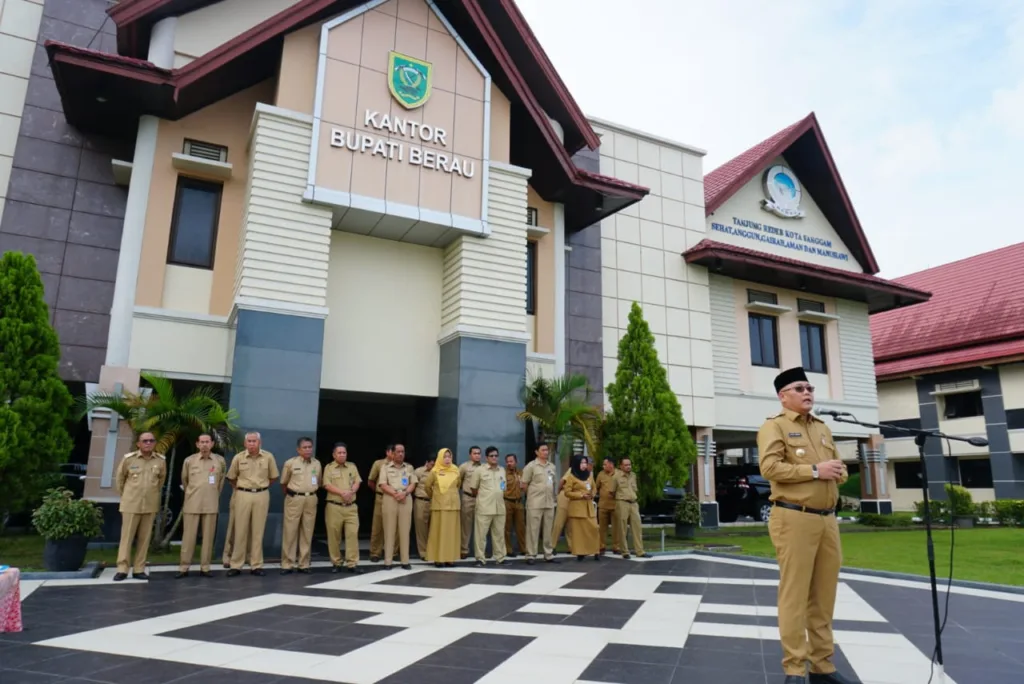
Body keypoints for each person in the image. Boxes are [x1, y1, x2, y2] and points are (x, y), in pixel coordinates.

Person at [758, 367, 852, 684]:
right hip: (793, 516)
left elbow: (838, 468)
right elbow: (770, 467)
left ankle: (823, 665)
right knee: (795, 594)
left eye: (810, 387)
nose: (808, 392)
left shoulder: (823, 428)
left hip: (827, 520)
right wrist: (814, 470)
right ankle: (795, 667)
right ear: (783, 395)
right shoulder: (775, 427)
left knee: (824, 596)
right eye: (800, 388)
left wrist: (838, 471)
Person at [113, 432, 167, 581]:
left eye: (151, 440)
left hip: (150, 505)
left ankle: (139, 569)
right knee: (127, 538)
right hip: (131, 504)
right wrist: (128, 496)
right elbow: (120, 481)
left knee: (144, 539)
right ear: (138, 444)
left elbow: (160, 481)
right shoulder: (129, 459)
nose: (148, 443)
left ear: (154, 443)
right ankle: (122, 569)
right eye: (145, 441)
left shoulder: (160, 461)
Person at [226, 432, 279, 576]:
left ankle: (256, 565)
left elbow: (273, 477)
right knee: (240, 530)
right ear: (245, 443)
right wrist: (243, 488)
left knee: (258, 531)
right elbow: (231, 478)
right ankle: (236, 565)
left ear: (259, 442)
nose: (251, 444)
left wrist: (261, 486)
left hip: (261, 494)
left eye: (254, 441)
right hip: (243, 494)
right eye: (249, 441)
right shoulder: (238, 457)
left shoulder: (268, 457)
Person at [177, 433, 225, 578]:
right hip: (192, 503)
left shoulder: (219, 461)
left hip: (211, 503)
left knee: (208, 538)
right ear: (197, 444)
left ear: (212, 444)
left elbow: (220, 483)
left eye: (207, 442)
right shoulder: (189, 461)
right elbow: (185, 480)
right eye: (202, 442)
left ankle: (205, 567)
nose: (204, 444)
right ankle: (184, 567)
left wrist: (212, 494)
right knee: (188, 537)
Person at [280, 437, 322, 575]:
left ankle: (304, 563)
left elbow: (319, 482)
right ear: (298, 449)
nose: (308, 449)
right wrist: (293, 494)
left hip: (311, 498)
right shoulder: (290, 463)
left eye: (310, 447)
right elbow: (284, 483)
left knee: (307, 531)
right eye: (305, 447)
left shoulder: (316, 464)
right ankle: (287, 564)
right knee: (290, 531)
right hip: (294, 498)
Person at [322, 442, 361, 573]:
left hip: (351, 507)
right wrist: (342, 493)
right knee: (334, 536)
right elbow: (326, 485)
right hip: (334, 507)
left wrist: (351, 492)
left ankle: (352, 563)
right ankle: (336, 563)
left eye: (344, 452)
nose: (342, 455)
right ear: (334, 455)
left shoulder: (352, 466)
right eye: (339, 453)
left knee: (352, 534)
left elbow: (357, 481)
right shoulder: (329, 468)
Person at [377, 443, 417, 570]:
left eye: (403, 451)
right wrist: (396, 494)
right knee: (389, 530)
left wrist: (405, 493)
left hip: (406, 499)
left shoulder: (409, 468)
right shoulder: (385, 467)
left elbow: (413, 483)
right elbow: (383, 484)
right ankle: (388, 561)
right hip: (391, 499)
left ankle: (405, 561)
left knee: (405, 531)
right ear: (392, 453)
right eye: (398, 451)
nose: (401, 454)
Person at [469, 446, 507, 566]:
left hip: (499, 507)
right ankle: (480, 558)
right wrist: (484, 498)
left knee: (499, 534)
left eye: (496, 455)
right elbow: (473, 488)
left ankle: (500, 558)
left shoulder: (502, 470)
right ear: (486, 458)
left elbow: (503, 487)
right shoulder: (480, 470)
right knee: (481, 535)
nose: (494, 458)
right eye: (492, 456)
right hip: (484, 507)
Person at [521, 443, 558, 565]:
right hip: (535, 502)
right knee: (533, 529)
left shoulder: (551, 466)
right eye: (543, 450)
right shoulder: (531, 466)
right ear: (537, 452)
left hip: (549, 503)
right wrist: (533, 495)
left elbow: (553, 484)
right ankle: (531, 554)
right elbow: (524, 485)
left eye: (547, 450)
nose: (546, 452)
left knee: (548, 530)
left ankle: (548, 554)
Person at [425, 448, 461, 567]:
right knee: (438, 533)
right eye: (444, 456)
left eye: (449, 457)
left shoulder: (456, 470)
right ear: (440, 457)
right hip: (439, 506)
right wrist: (435, 497)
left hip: (453, 506)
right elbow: (427, 487)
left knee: (451, 533)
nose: (447, 459)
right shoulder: (434, 471)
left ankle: (450, 558)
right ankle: (438, 559)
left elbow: (458, 485)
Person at [563, 454, 600, 561]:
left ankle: (595, 550)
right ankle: (580, 552)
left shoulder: (589, 475)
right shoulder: (571, 476)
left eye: (585, 463)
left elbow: (594, 488)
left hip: (588, 507)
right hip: (577, 507)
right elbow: (567, 492)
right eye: (582, 463)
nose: (584, 465)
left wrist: (592, 494)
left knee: (593, 528)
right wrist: (580, 495)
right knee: (579, 532)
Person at [613, 457, 646, 559]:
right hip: (622, 502)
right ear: (621, 466)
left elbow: (635, 489)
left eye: (629, 464)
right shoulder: (616, 477)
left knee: (637, 526)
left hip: (634, 503)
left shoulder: (633, 475)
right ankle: (625, 552)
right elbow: (612, 491)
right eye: (626, 465)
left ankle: (640, 551)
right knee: (622, 528)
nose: (628, 467)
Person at [367, 446, 394, 562]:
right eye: (394, 452)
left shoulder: (403, 466)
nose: (397, 454)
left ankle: (394, 551)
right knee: (377, 526)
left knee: (394, 526)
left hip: (396, 498)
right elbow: (371, 481)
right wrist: (379, 492)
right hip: (381, 498)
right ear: (387, 452)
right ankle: (375, 552)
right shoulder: (379, 464)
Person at [458, 446, 483, 559]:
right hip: (468, 498)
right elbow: (458, 482)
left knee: (481, 526)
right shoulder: (464, 467)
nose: (477, 455)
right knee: (466, 526)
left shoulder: (484, 467)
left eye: (479, 453)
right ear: (470, 455)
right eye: (475, 453)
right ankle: (464, 549)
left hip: (481, 499)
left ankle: (480, 550)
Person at [595, 457, 621, 555]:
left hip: (615, 505)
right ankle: (601, 546)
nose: (603, 466)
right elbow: (596, 487)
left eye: (605, 464)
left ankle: (616, 547)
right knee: (602, 527)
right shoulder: (601, 474)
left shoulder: (619, 474)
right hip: (603, 505)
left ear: (611, 464)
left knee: (616, 527)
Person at [412, 454, 435, 560]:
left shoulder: (438, 472)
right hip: (421, 501)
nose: (433, 466)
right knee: (421, 527)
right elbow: (412, 486)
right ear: (427, 462)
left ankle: (432, 551)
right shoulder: (419, 472)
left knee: (434, 527)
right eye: (431, 464)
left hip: (434, 502)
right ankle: (423, 552)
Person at [503, 454, 526, 557]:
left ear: (516, 462)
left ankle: (523, 548)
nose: (509, 463)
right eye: (507, 461)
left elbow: (526, 487)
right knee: (507, 528)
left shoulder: (521, 473)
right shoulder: (503, 474)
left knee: (521, 527)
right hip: (508, 502)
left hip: (519, 502)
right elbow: (501, 488)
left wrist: (524, 487)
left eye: (511, 461)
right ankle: (508, 549)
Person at [549, 470, 572, 553]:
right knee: (559, 523)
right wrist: (559, 492)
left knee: (570, 524)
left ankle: (571, 547)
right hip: (565, 496)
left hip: (574, 499)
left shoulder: (586, 474)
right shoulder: (572, 470)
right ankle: (552, 546)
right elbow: (562, 481)